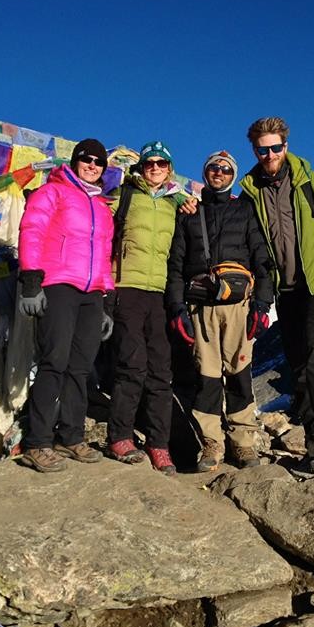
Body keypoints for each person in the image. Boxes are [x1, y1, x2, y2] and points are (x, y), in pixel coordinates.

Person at [238, 117, 314, 475]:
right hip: (284, 292)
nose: (270, 154)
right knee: (300, 366)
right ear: (255, 151)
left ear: (285, 147)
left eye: (276, 147)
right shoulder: (250, 192)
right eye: (263, 149)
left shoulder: (309, 182)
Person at [166, 151, 273, 472]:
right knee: (207, 377)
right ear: (205, 172)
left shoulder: (246, 210)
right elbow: (175, 267)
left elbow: (261, 259)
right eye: (214, 168)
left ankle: (243, 443)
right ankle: (211, 444)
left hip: (240, 305)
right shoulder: (188, 212)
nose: (219, 173)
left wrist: (263, 304)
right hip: (201, 306)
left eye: (226, 170)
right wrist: (176, 308)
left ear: (233, 176)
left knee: (240, 374)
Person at [16, 139, 115, 473]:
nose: (92, 165)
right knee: (54, 361)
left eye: (98, 162)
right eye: (86, 159)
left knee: (81, 367)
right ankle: (37, 442)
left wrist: (106, 302)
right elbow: (32, 231)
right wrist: (31, 282)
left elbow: (104, 255)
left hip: (91, 293)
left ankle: (71, 437)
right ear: (74, 162)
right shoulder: (52, 192)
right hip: (57, 284)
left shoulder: (102, 208)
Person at [106, 141, 192, 475]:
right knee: (131, 364)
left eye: (161, 163)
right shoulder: (125, 195)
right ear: (141, 167)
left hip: (161, 293)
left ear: (170, 169)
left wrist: (188, 203)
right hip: (126, 288)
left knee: (160, 371)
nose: (155, 168)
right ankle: (120, 436)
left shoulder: (176, 202)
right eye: (149, 163)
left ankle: (159, 444)